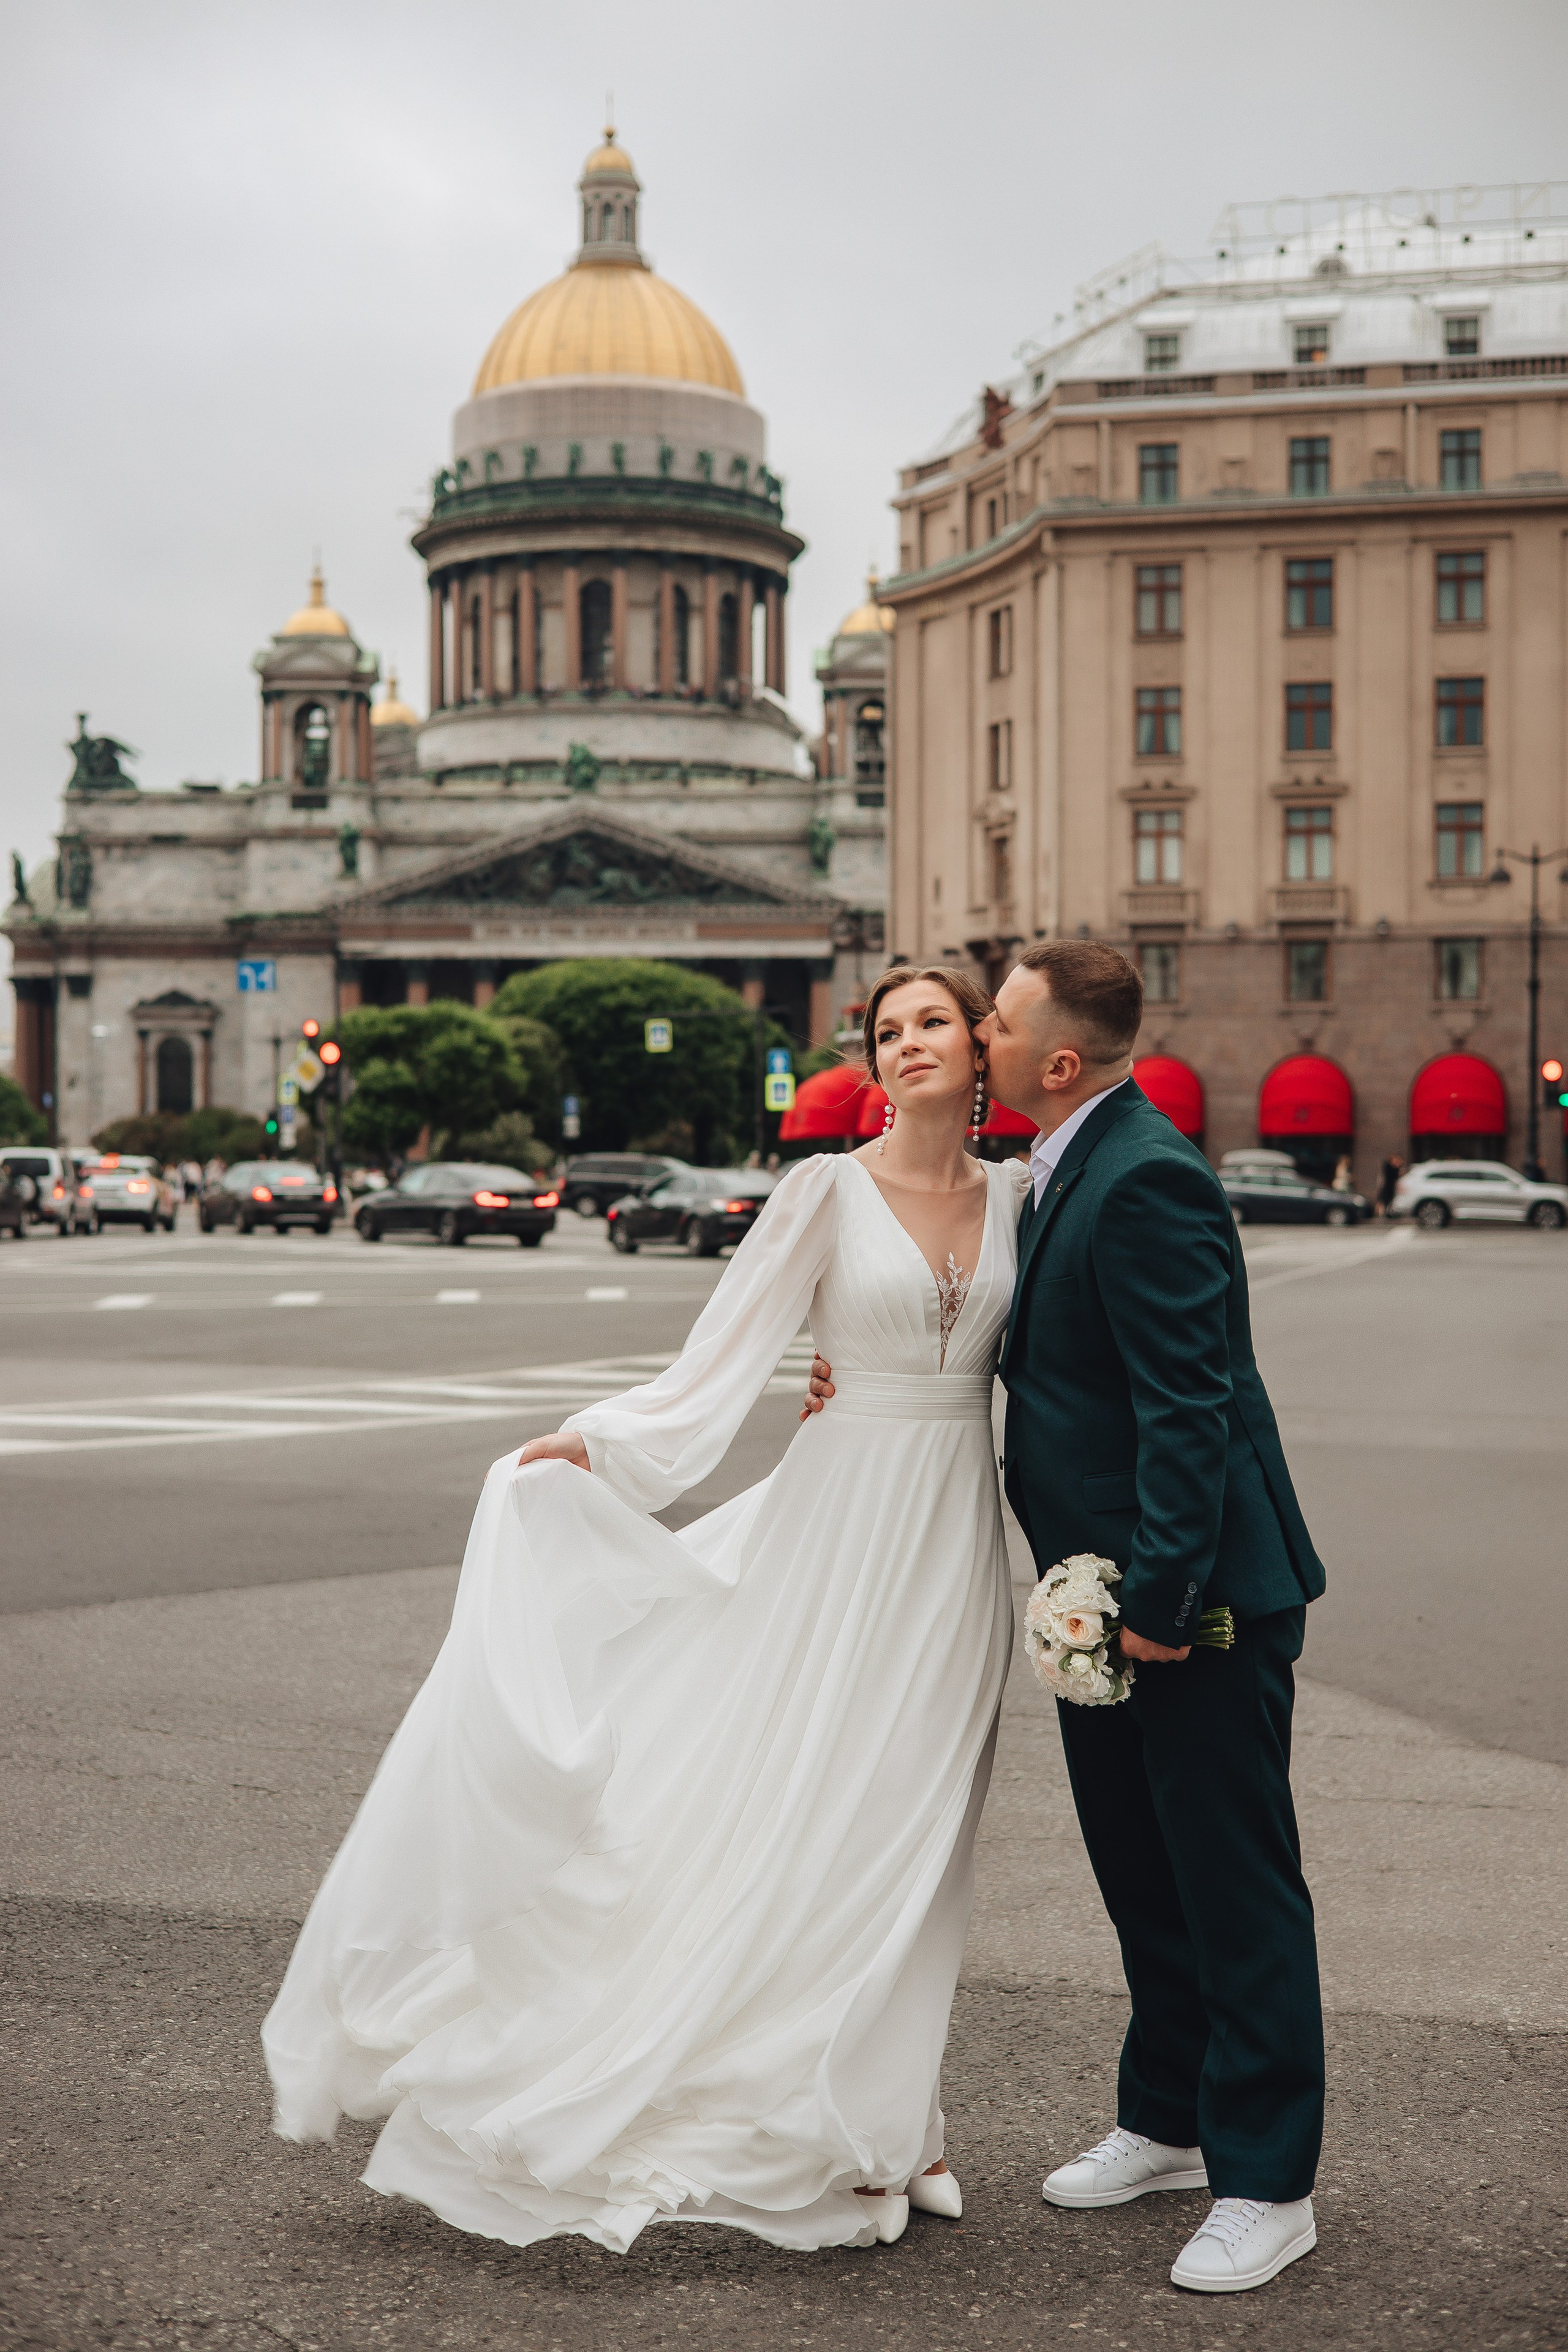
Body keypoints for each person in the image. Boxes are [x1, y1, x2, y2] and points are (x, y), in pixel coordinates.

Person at [263, 966, 1028, 2254]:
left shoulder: (1024, 1197)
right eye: (885, 1031)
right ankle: (855, 2121)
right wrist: (598, 1449)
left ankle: (900, 2113)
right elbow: (719, 1358)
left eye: (931, 1023)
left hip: (954, 1535)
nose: (906, 1046)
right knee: (809, 1813)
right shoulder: (822, 1191)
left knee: (918, 1821)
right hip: (834, 1523)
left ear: (980, 1046)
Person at [811, 941, 1327, 2297]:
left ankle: (1268, 2182)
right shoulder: (1052, 1169)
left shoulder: (1145, 1174)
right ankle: (1166, 2123)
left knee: (1232, 1890)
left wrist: (1156, 1602)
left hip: (1186, 1601)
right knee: (1143, 1880)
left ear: (1050, 1061)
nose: (968, 1031)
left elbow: (1189, 1408)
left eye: (990, 1016)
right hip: (1095, 1603)